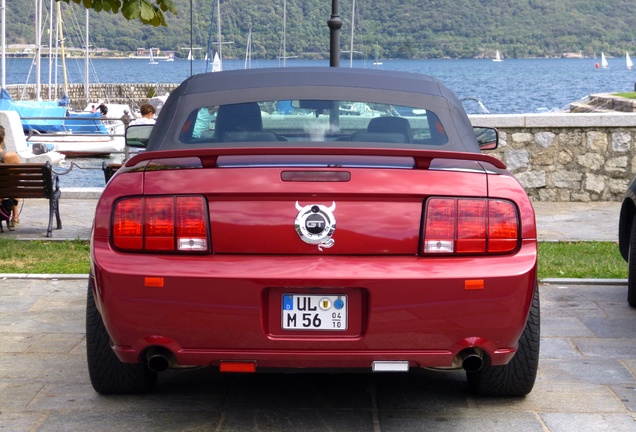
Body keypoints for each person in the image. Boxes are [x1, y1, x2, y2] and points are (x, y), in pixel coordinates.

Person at [0, 125, 21, 228]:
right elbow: (19, 176)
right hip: (7, 190)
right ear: (3, 137)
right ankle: (15, 217)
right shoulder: (11, 156)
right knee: (13, 185)